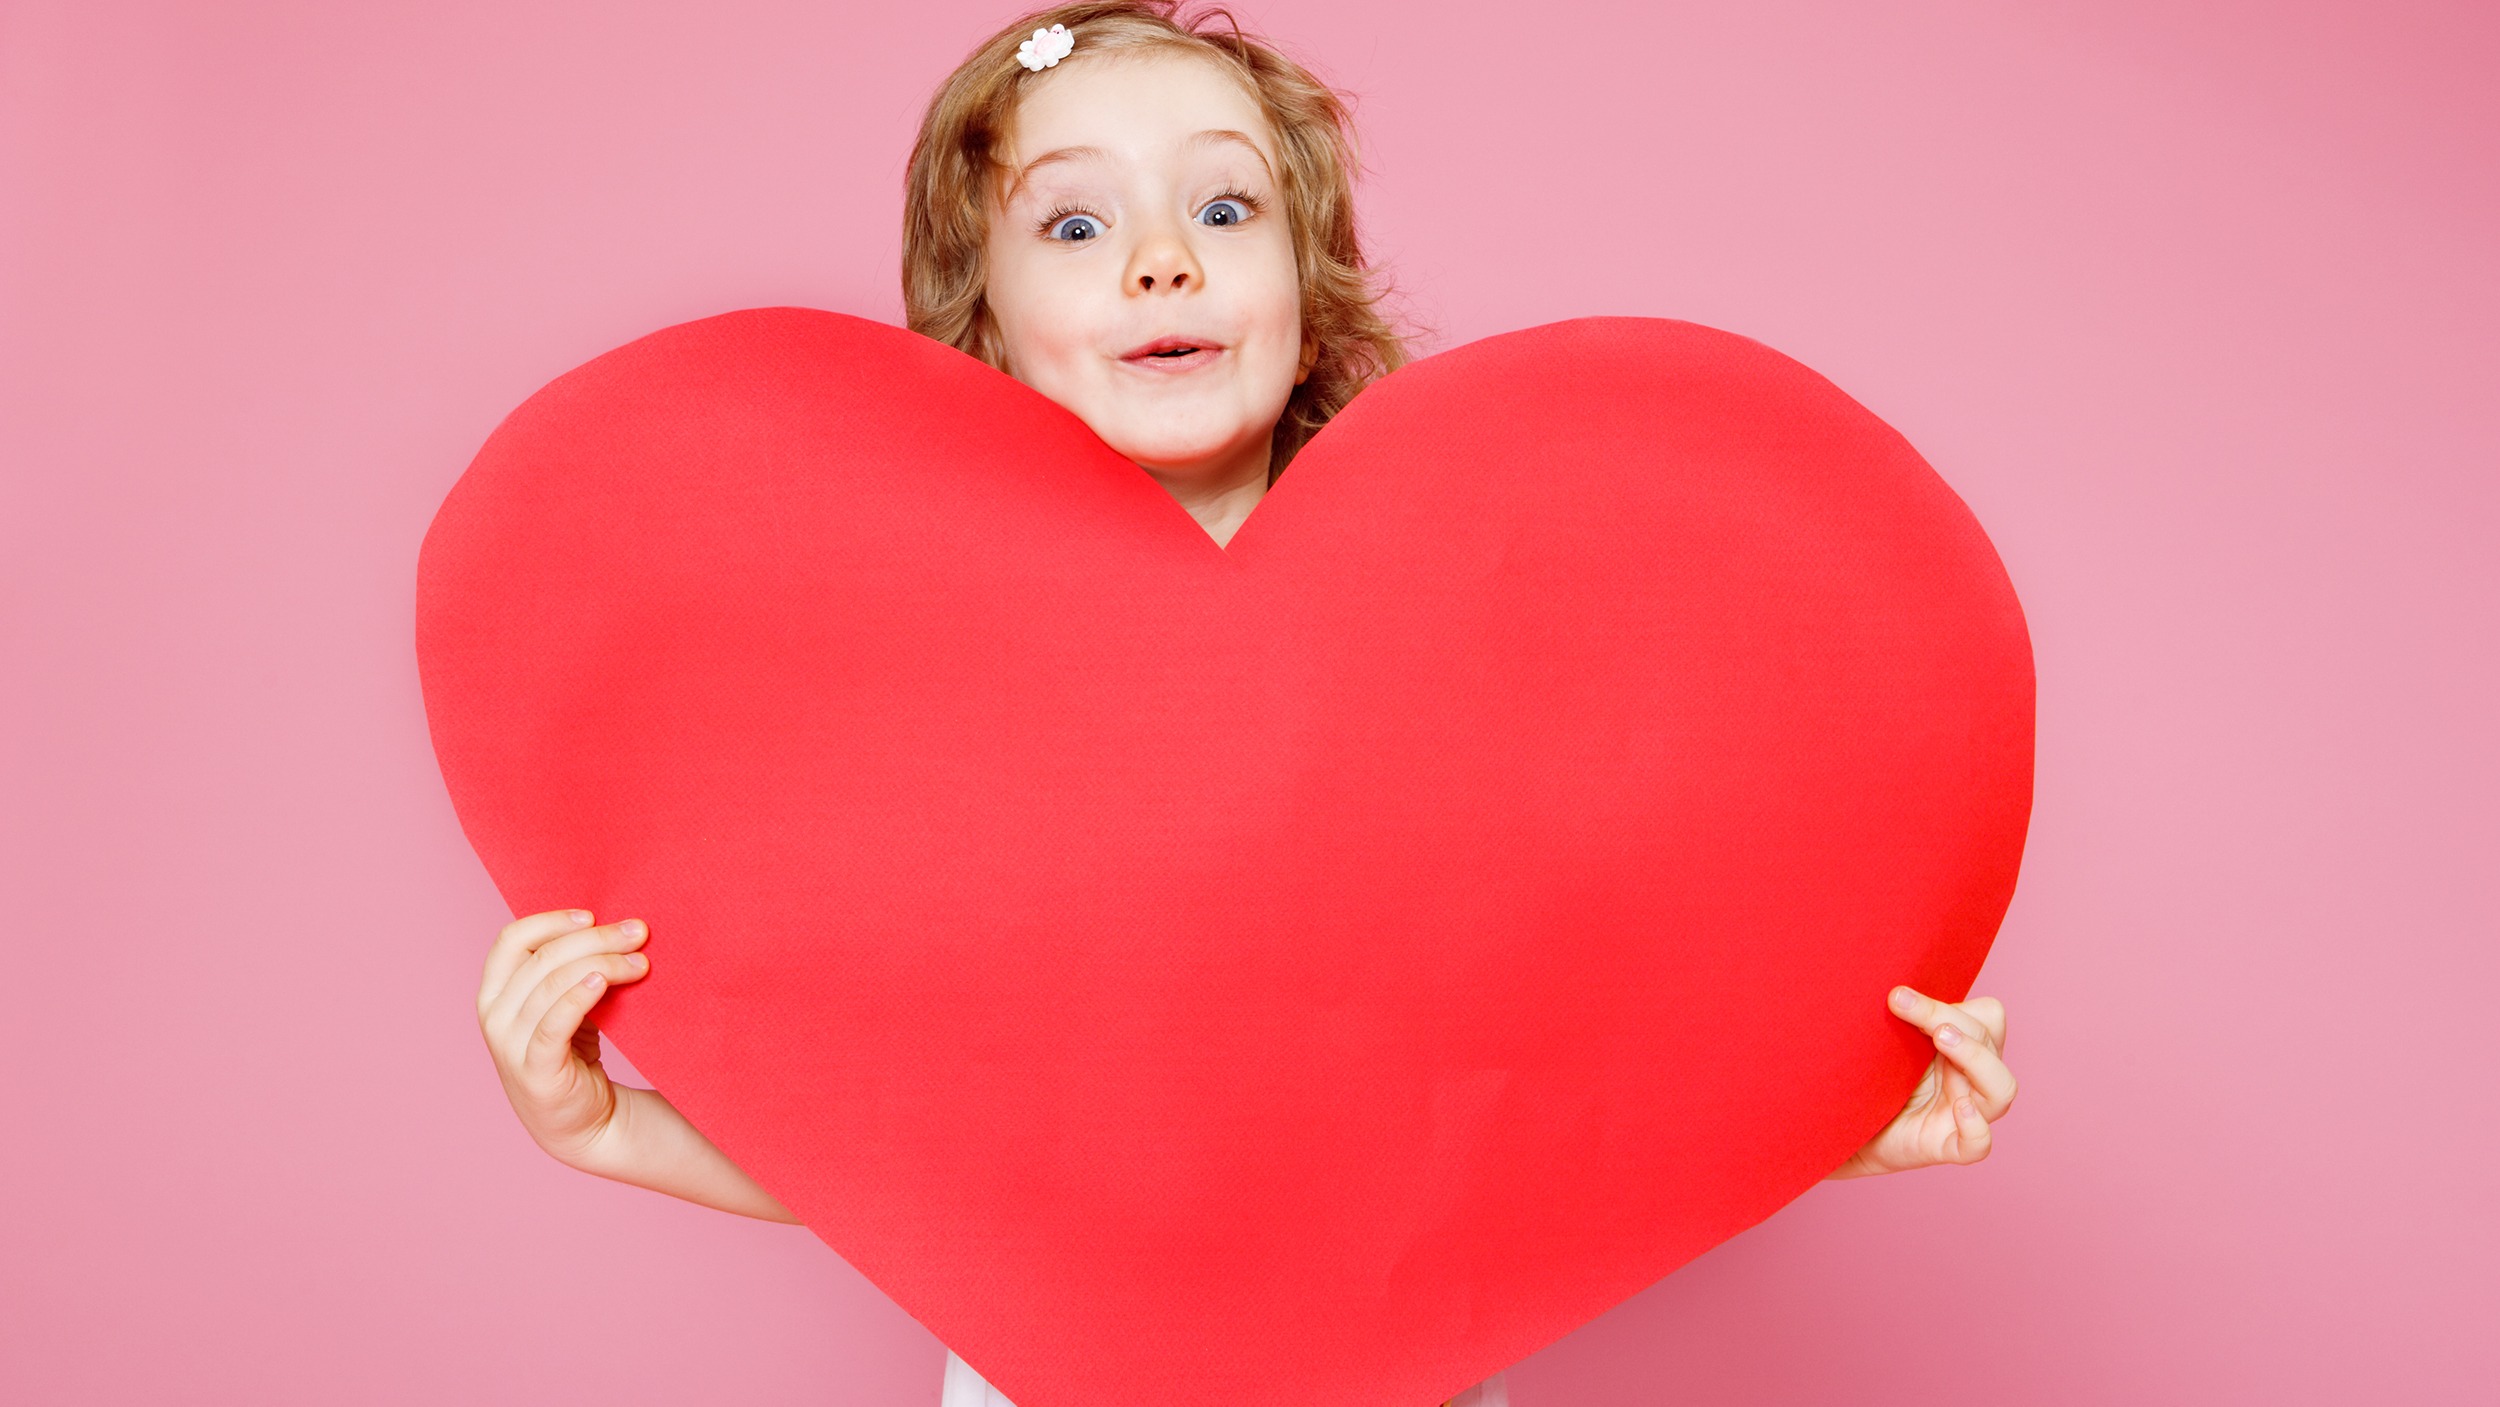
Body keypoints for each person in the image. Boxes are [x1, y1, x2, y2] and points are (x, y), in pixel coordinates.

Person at [470, 5, 2021, 1403]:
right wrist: (610, 1132)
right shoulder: (910, 715)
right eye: (1075, 223)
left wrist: (1828, 1116)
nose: (1163, 258)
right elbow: (916, 1141)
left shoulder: (1475, 649)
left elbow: (1566, 1062)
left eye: (1225, 206)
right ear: (981, 324)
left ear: (1310, 277)